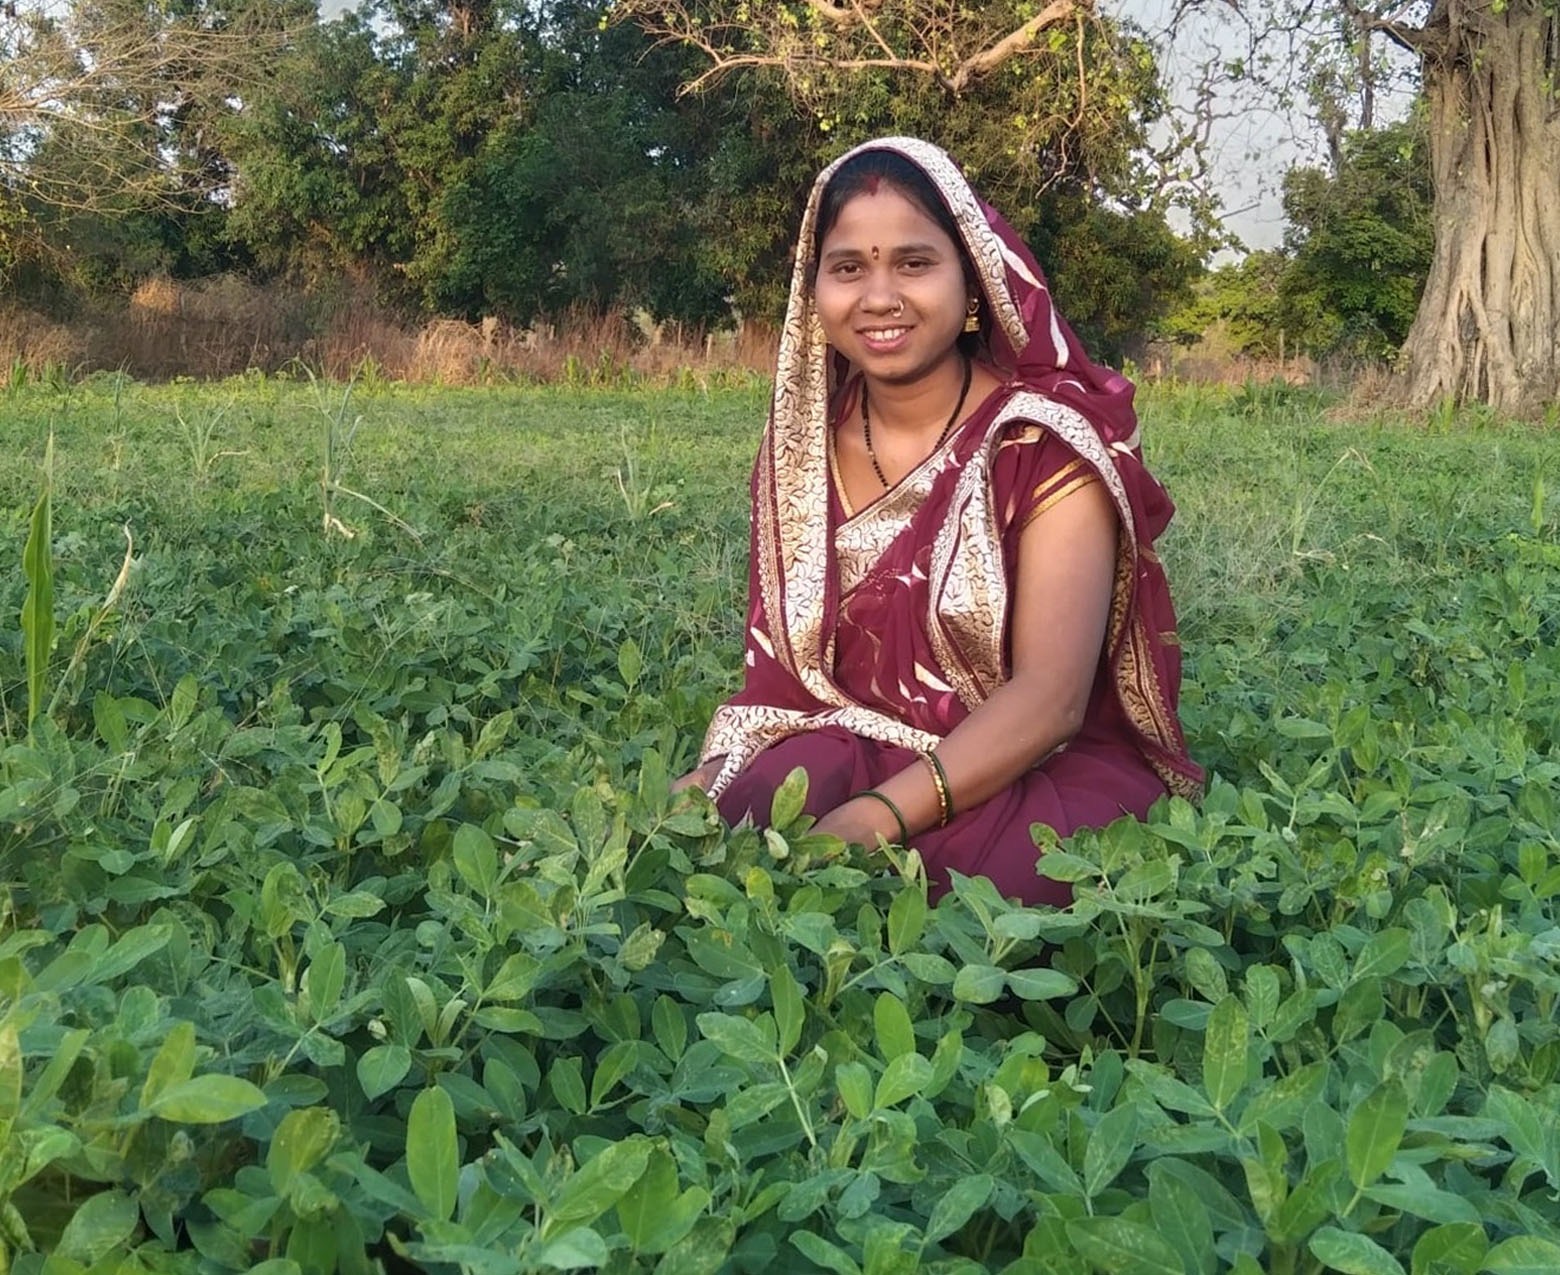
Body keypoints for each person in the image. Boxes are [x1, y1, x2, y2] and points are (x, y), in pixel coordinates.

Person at [678, 136, 1202, 906]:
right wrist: (719, 782)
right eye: (848, 268)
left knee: (1008, 881)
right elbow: (796, 682)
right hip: (857, 735)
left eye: (914, 263)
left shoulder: (1042, 447)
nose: (879, 297)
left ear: (973, 282)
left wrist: (878, 817)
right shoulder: (802, 450)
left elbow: (1052, 698)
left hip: (1021, 760)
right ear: (813, 290)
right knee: (737, 812)